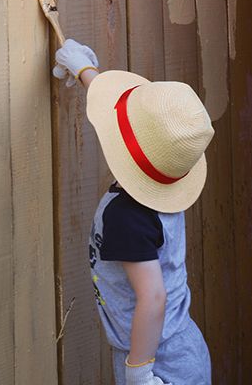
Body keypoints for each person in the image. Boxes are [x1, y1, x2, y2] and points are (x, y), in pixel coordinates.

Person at [54, 39, 214, 385]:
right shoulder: (161, 184)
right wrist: (82, 68)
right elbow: (122, 119)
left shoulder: (125, 216)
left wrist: (139, 370)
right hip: (180, 344)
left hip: (159, 360)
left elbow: (153, 297)